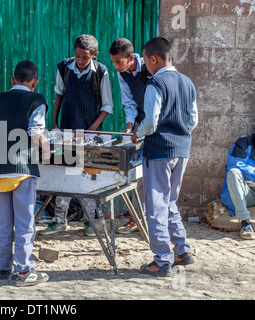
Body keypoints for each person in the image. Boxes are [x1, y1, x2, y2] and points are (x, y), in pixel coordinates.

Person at [131, 37, 198, 277]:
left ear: (153, 59)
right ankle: (181, 250)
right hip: (182, 149)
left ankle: (162, 260)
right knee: (169, 201)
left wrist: (137, 134)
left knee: (156, 206)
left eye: (145, 62)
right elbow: (193, 121)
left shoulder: (156, 83)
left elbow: (151, 121)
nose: (145, 68)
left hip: (159, 150)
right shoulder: (188, 82)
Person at [0, 60, 50, 286]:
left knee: (2, 222)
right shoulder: (37, 100)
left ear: (12, 80)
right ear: (35, 83)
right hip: (23, 170)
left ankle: (3, 266)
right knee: (24, 223)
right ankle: (23, 271)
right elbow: (35, 131)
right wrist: (48, 149)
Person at [41, 34, 114, 237]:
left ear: (95, 55)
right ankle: (59, 220)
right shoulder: (65, 67)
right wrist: (55, 122)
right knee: (64, 174)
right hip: (67, 130)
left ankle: (91, 221)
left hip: (89, 134)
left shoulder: (101, 72)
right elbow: (59, 93)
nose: (80, 61)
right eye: (78, 56)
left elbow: (107, 106)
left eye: (85, 58)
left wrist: (92, 128)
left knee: (87, 176)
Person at [109, 38, 151, 234]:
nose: (116, 66)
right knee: (137, 173)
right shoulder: (122, 74)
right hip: (140, 124)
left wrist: (141, 128)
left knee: (153, 173)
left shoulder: (149, 68)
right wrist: (129, 125)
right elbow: (129, 103)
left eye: (119, 61)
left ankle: (152, 220)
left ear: (131, 57)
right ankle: (136, 218)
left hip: (156, 125)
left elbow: (156, 104)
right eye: (113, 62)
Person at [220, 129, 255, 240]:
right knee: (233, 173)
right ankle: (245, 223)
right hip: (245, 192)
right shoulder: (244, 142)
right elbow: (235, 165)